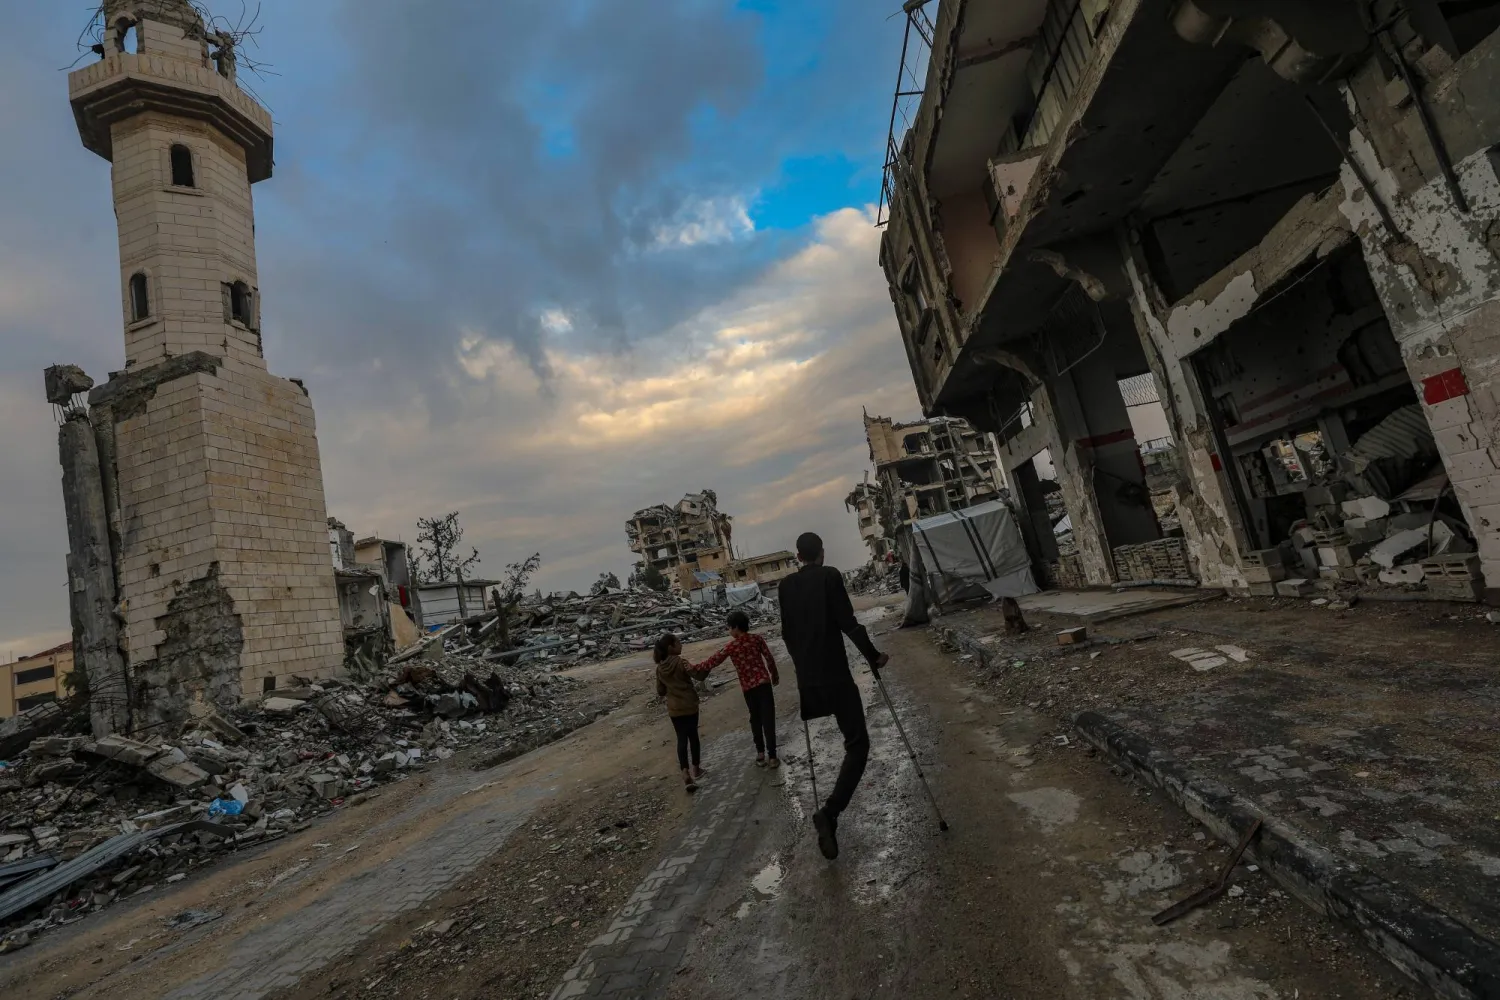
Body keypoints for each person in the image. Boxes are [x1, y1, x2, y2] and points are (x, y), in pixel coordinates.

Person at [778, 531, 889, 860]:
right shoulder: (829, 576)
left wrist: (802, 670)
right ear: (821, 553)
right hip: (836, 677)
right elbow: (848, 623)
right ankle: (830, 811)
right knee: (858, 744)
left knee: (853, 742)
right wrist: (873, 656)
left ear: (799, 556)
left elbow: (787, 633)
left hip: (808, 682)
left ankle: (829, 814)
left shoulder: (785, 587)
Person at [694, 609, 781, 767]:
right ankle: (773, 757)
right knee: (768, 719)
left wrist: (694, 668)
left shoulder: (731, 647)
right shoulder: (757, 639)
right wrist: (774, 675)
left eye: (729, 628)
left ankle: (760, 754)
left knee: (755, 719)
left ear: (736, 627)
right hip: (764, 684)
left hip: (749, 689)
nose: (729, 631)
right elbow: (769, 658)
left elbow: (712, 661)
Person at [654, 633, 711, 793]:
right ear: (671, 647)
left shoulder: (659, 668)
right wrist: (708, 666)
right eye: (678, 642)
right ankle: (696, 770)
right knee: (693, 737)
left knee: (681, 739)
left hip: (674, 709)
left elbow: (660, 691)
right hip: (689, 706)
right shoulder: (681, 662)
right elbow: (698, 675)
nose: (681, 645)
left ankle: (685, 772)